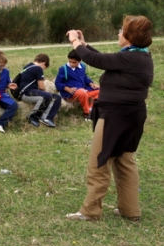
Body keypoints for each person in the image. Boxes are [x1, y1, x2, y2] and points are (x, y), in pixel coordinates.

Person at [65, 16, 154, 221]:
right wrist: (85, 45)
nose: (118, 33)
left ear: (130, 36)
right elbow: (107, 61)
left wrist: (74, 42)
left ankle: (90, 211)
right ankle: (130, 210)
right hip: (132, 116)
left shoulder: (131, 58)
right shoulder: (140, 56)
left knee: (100, 161)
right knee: (124, 161)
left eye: (121, 30)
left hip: (115, 116)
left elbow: (97, 60)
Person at [17, 54, 61, 128]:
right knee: (48, 96)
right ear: (44, 63)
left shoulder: (28, 66)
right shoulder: (38, 68)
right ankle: (33, 116)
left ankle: (46, 118)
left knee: (57, 97)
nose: (43, 69)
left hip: (23, 93)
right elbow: (41, 87)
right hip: (27, 93)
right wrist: (46, 93)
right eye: (44, 68)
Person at [55, 49, 100, 119]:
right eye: (70, 62)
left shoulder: (82, 66)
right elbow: (57, 83)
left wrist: (90, 83)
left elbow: (84, 76)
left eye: (74, 62)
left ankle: (91, 108)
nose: (71, 64)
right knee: (82, 93)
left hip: (84, 89)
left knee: (101, 90)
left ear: (80, 61)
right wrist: (67, 89)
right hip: (71, 93)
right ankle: (86, 113)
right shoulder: (63, 69)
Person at [0, 52, 18, 133]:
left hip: (1, 94)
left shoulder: (6, 71)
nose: (2, 67)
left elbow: (7, 82)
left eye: (4, 65)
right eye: (1, 65)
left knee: (13, 105)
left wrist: (9, 85)